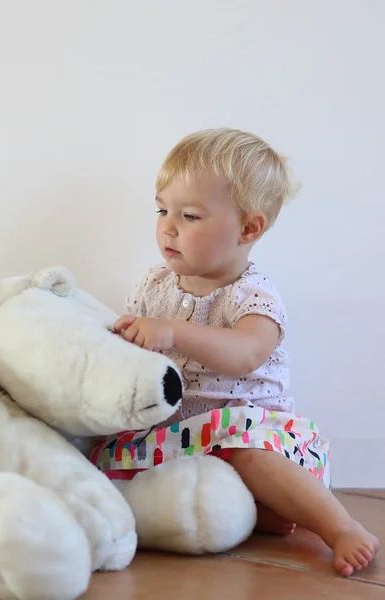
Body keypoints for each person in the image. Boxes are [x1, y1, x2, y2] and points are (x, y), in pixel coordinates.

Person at [90, 128, 379, 577]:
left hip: (250, 432)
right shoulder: (153, 286)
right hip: (180, 437)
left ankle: (338, 526)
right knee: (106, 456)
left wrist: (172, 332)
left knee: (249, 455)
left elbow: (246, 354)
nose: (168, 226)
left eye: (189, 215)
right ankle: (256, 514)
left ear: (249, 227)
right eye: (162, 209)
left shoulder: (253, 296)